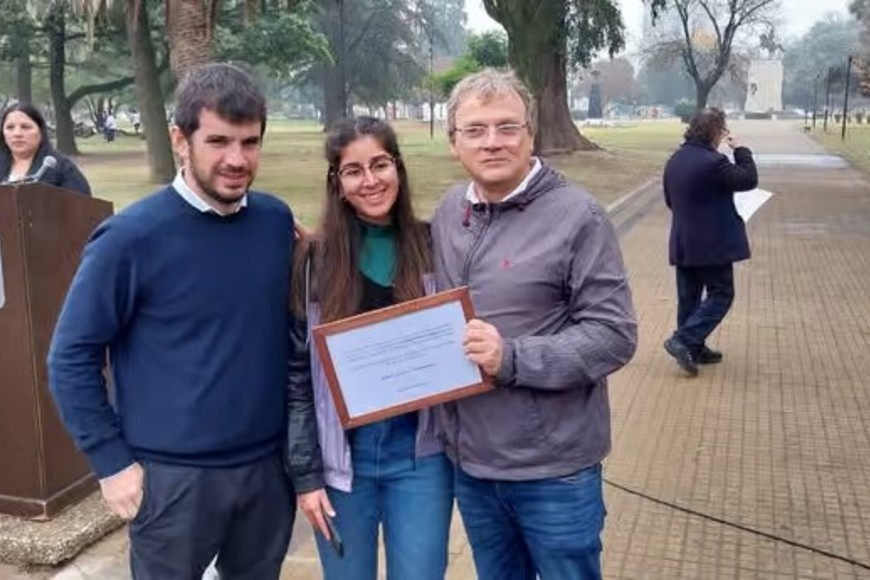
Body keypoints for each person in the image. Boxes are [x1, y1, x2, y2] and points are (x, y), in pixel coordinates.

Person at [47, 63, 319, 579]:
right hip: (172, 481)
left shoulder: (274, 221)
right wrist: (110, 461)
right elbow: (70, 356)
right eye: (218, 141)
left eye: (250, 142)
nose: (236, 159)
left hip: (266, 471)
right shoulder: (129, 239)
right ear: (180, 138)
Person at [429, 69, 637, 580]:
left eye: (507, 127)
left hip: (555, 472)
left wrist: (513, 359)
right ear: (454, 142)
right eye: (475, 130)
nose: (493, 142)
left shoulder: (578, 217)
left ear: (531, 133)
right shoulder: (449, 211)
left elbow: (614, 335)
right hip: (473, 467)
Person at [289, 116, 453, 580]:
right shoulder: (312, 262)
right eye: (354, 170)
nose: (371, 180)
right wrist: (307, 477)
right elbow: (298, 377)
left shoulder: (433, 245)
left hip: (421, 457)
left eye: (380, 164)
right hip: (343, 463)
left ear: (398, 168)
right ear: (337, 184)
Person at [662, 107, 758, 377]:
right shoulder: (714, 163)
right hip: (712, 243)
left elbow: (670, 200)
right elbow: (749, 180)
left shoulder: (675, 160)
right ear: (716, 132)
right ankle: (684, 340)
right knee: (721, 294)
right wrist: (741, 149)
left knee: (689, 297)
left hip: (683, 239)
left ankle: (693, 348)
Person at [0, 103, 91, 194]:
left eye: (25, 127)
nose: (17, 134)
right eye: (10, 127)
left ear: (41, 131)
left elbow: (82, 205)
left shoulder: (61, 167)